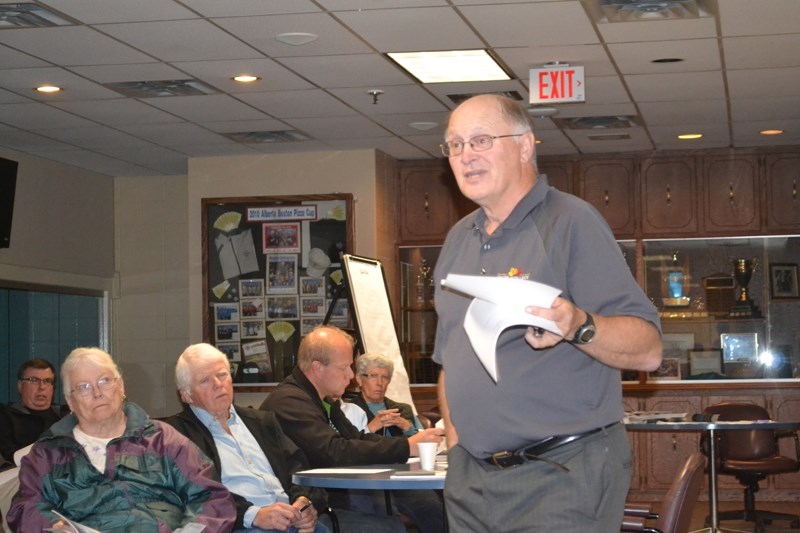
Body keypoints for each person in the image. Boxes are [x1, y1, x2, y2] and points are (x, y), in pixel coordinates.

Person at [433, 94, 663, 532]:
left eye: (481, 140)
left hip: (562, 473)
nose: (466, 156)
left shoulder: (571, 222)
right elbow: (450, 357)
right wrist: (456, 441)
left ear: (524, 146)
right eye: (455, 145)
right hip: (472, 479)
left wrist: (577, 324)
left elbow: (648, 350)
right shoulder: (457, 239)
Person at [167, 343, 404, 533]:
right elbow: (195, 494)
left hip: (295, 521)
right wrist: (254, 515)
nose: (219, 385)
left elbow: (300, 471)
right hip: (241, 525)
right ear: (186, 394)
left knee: (392, 526)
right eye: (205, 380)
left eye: (222, 375)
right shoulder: (176, 436)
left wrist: (306, 502)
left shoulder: (261, 422)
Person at [7, 347, 236, 533]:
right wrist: (50, 528)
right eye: (84, 387)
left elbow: (211, 497)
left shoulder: (161, 439)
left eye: (105, 381)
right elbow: (25, 507)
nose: (97, 393)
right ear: (70, 401)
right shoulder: (47, 453)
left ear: (121, 386)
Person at [260, 326, 445, 533]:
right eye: (344, 367)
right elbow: (334, 451)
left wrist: (410, 445)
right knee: (390, 527)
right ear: (317, 367)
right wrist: (405, 447)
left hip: (335, 494)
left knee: (426, 502)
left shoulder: (324, 401)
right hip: (308, 507)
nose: (350, 376)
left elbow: (358, 438)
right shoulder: (290, 401)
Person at [0, 358, 68, 465]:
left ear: (52, 387)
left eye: (47, 381)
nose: (41, 387)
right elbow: (8, 457)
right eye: (34, 380)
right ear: (20, 386)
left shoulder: (66, 416)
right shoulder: (6, 417)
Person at [348, 353, 422, 437]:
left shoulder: (404, 410)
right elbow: (345, 446)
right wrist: (369, 429)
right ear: (359, 379)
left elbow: (426, 442)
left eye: (384, 377)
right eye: (373, 376)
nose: (379, 383)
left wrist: (408, 427)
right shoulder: (348, 411)